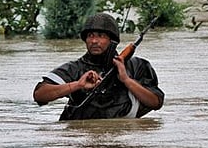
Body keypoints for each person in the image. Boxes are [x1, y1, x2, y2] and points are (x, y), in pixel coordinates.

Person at [33, 12, 164, 120]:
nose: (94, 41)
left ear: (112, 40)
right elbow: (39, 95)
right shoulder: (75, 68)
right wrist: (77, 85)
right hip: (83, 137)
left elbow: (156, 102)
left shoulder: (136, 66)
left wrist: (126, 80)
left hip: (124, 137)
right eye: (90, 36)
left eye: (100, 36)